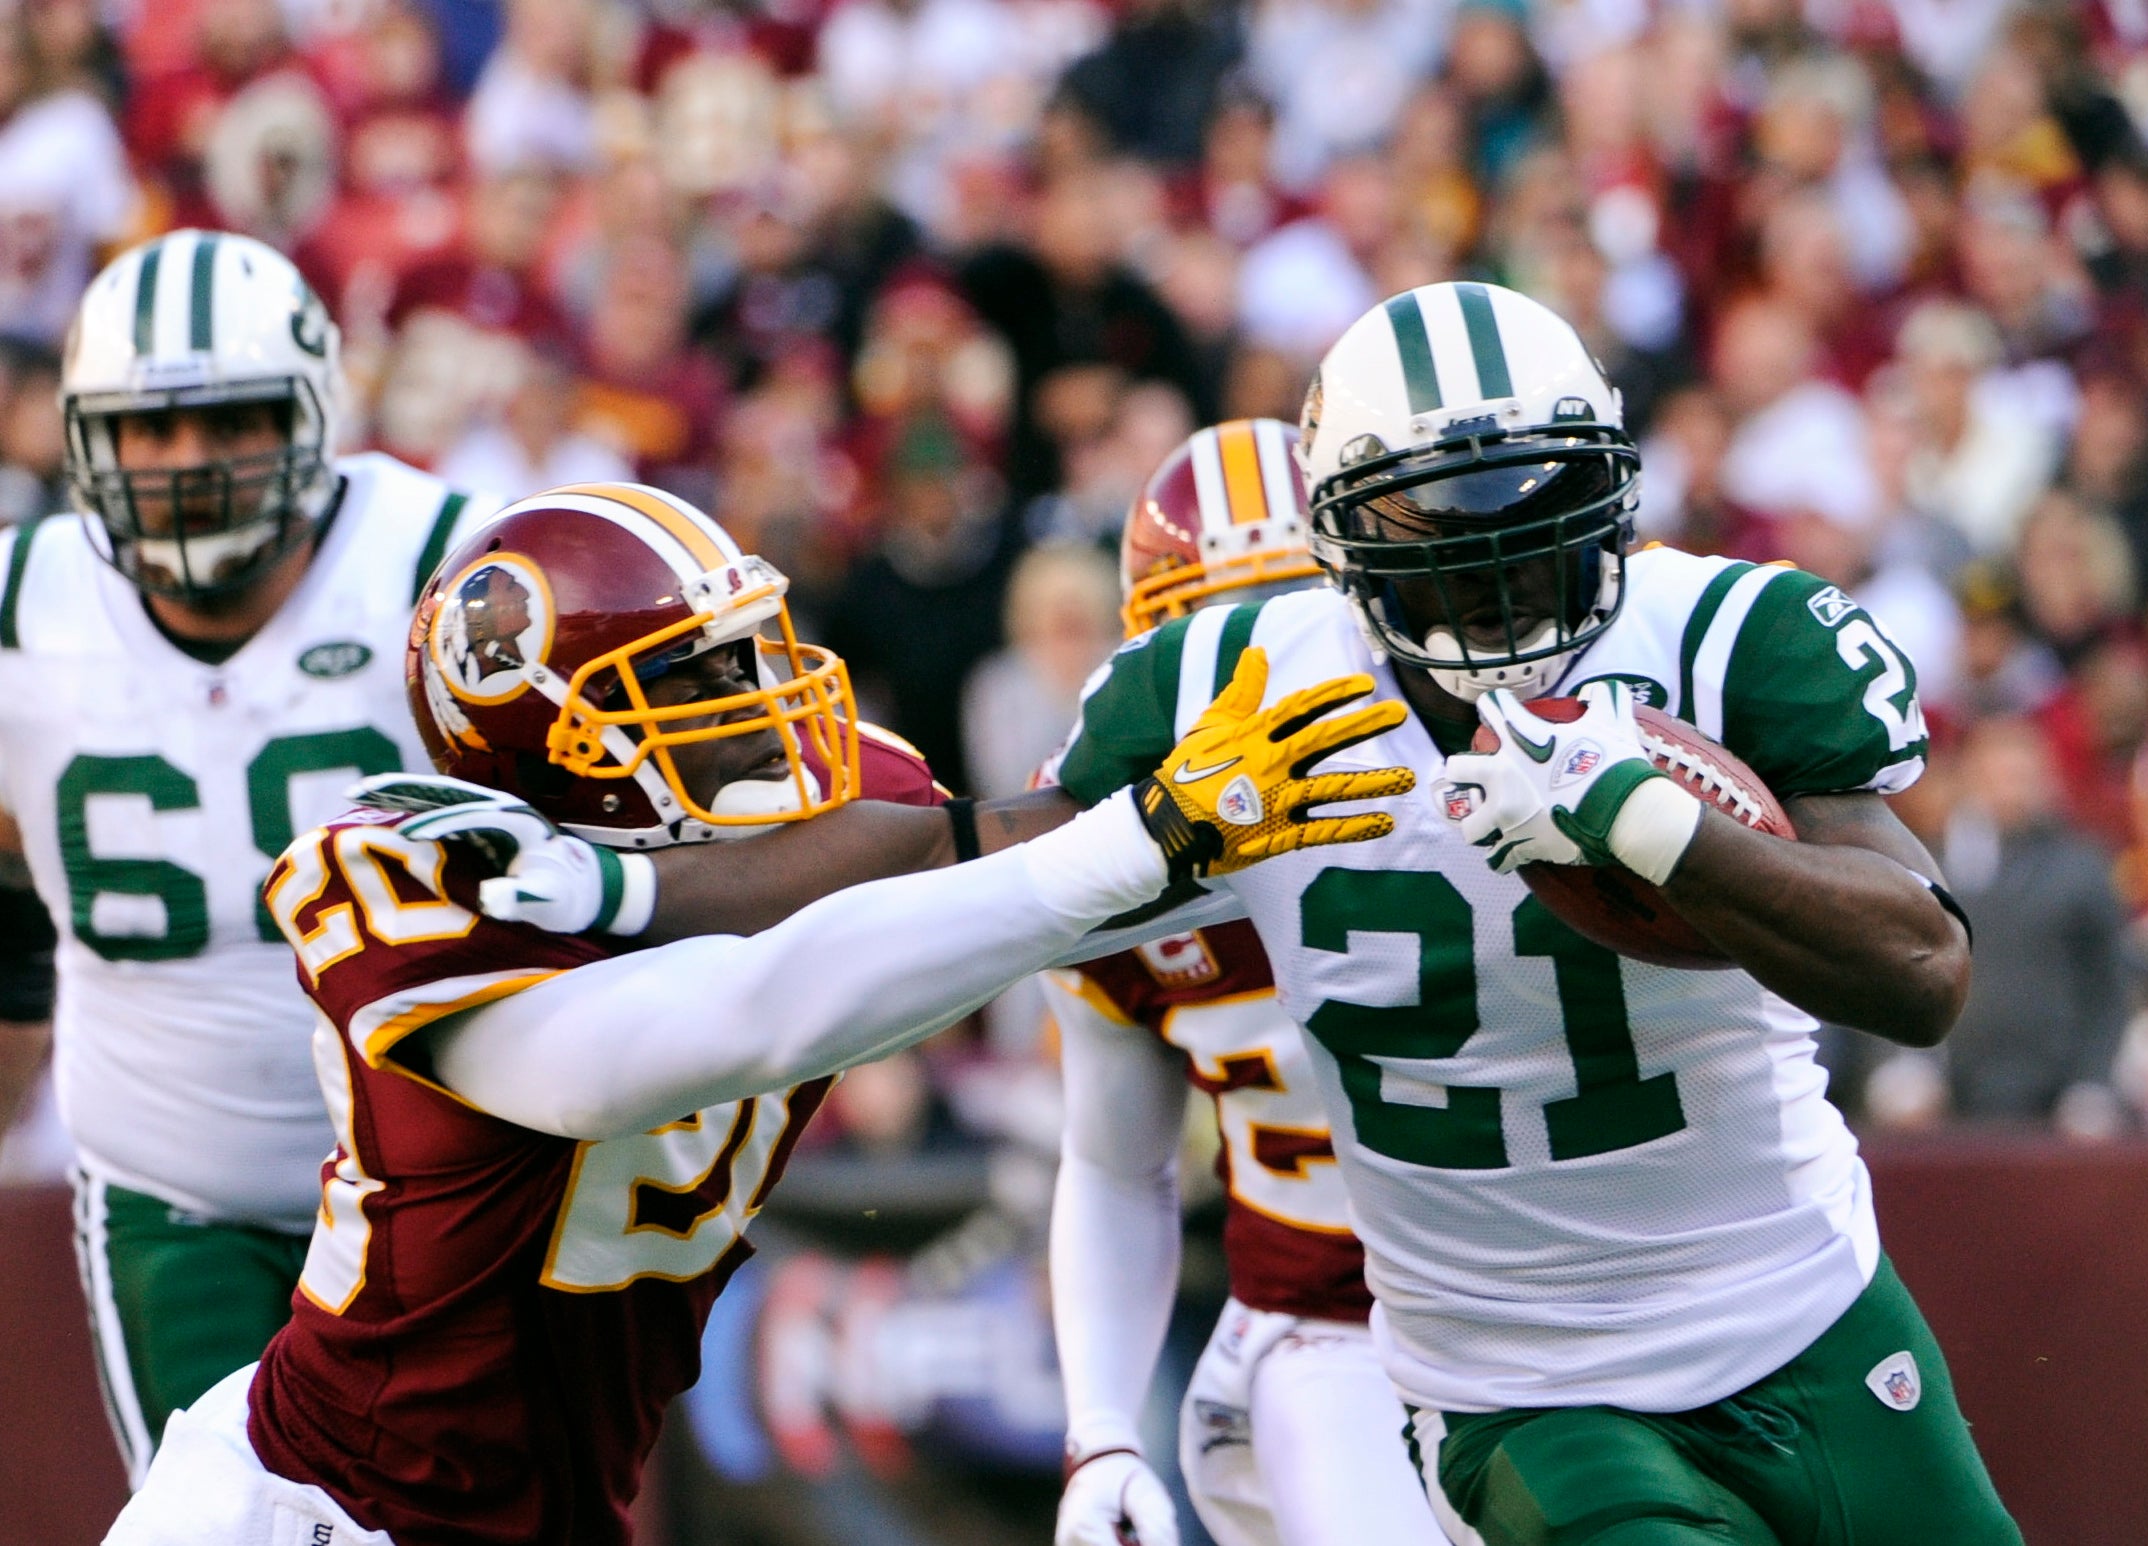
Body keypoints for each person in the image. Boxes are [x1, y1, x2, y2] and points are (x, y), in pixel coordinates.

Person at [408, 284, 2021, 1546]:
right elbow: (955, 846)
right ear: (1333, 537)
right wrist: (627, 879)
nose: (1499, 568)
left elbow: (1921, 970)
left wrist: (1654, 826)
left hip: (1805, 1302)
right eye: (1436, 531)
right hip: (1514, 1379)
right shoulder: (1229, 681)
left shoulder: (1734, 630)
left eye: (1538, 507)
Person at [104, 481, 1414, 1544]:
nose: (764, 703)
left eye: (753, 650)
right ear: (545, 735)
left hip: (552, 1507)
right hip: (325, 1507)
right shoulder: (422, 880)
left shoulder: (829, 802)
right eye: (695, 677)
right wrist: (1135, 846)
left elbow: (1029, 882)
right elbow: (723, 1019)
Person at [0, 229, 494, 1485]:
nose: (187, 464)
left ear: (313, 412)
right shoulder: (23, 606)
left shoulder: (447, 559)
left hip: (441, 1184)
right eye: (148, 432)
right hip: (174, 1197)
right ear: (82, 440)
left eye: (228, 421)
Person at [1042, 418, 1452, 1546]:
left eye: (1296, 616)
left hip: (1578, 1300)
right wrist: (1101, 1425)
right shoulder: (1107, 856)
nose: (1254, 678)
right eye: (1210, 634)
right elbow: (1111, 1161)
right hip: (1324, 1326)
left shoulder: (1488, 775)